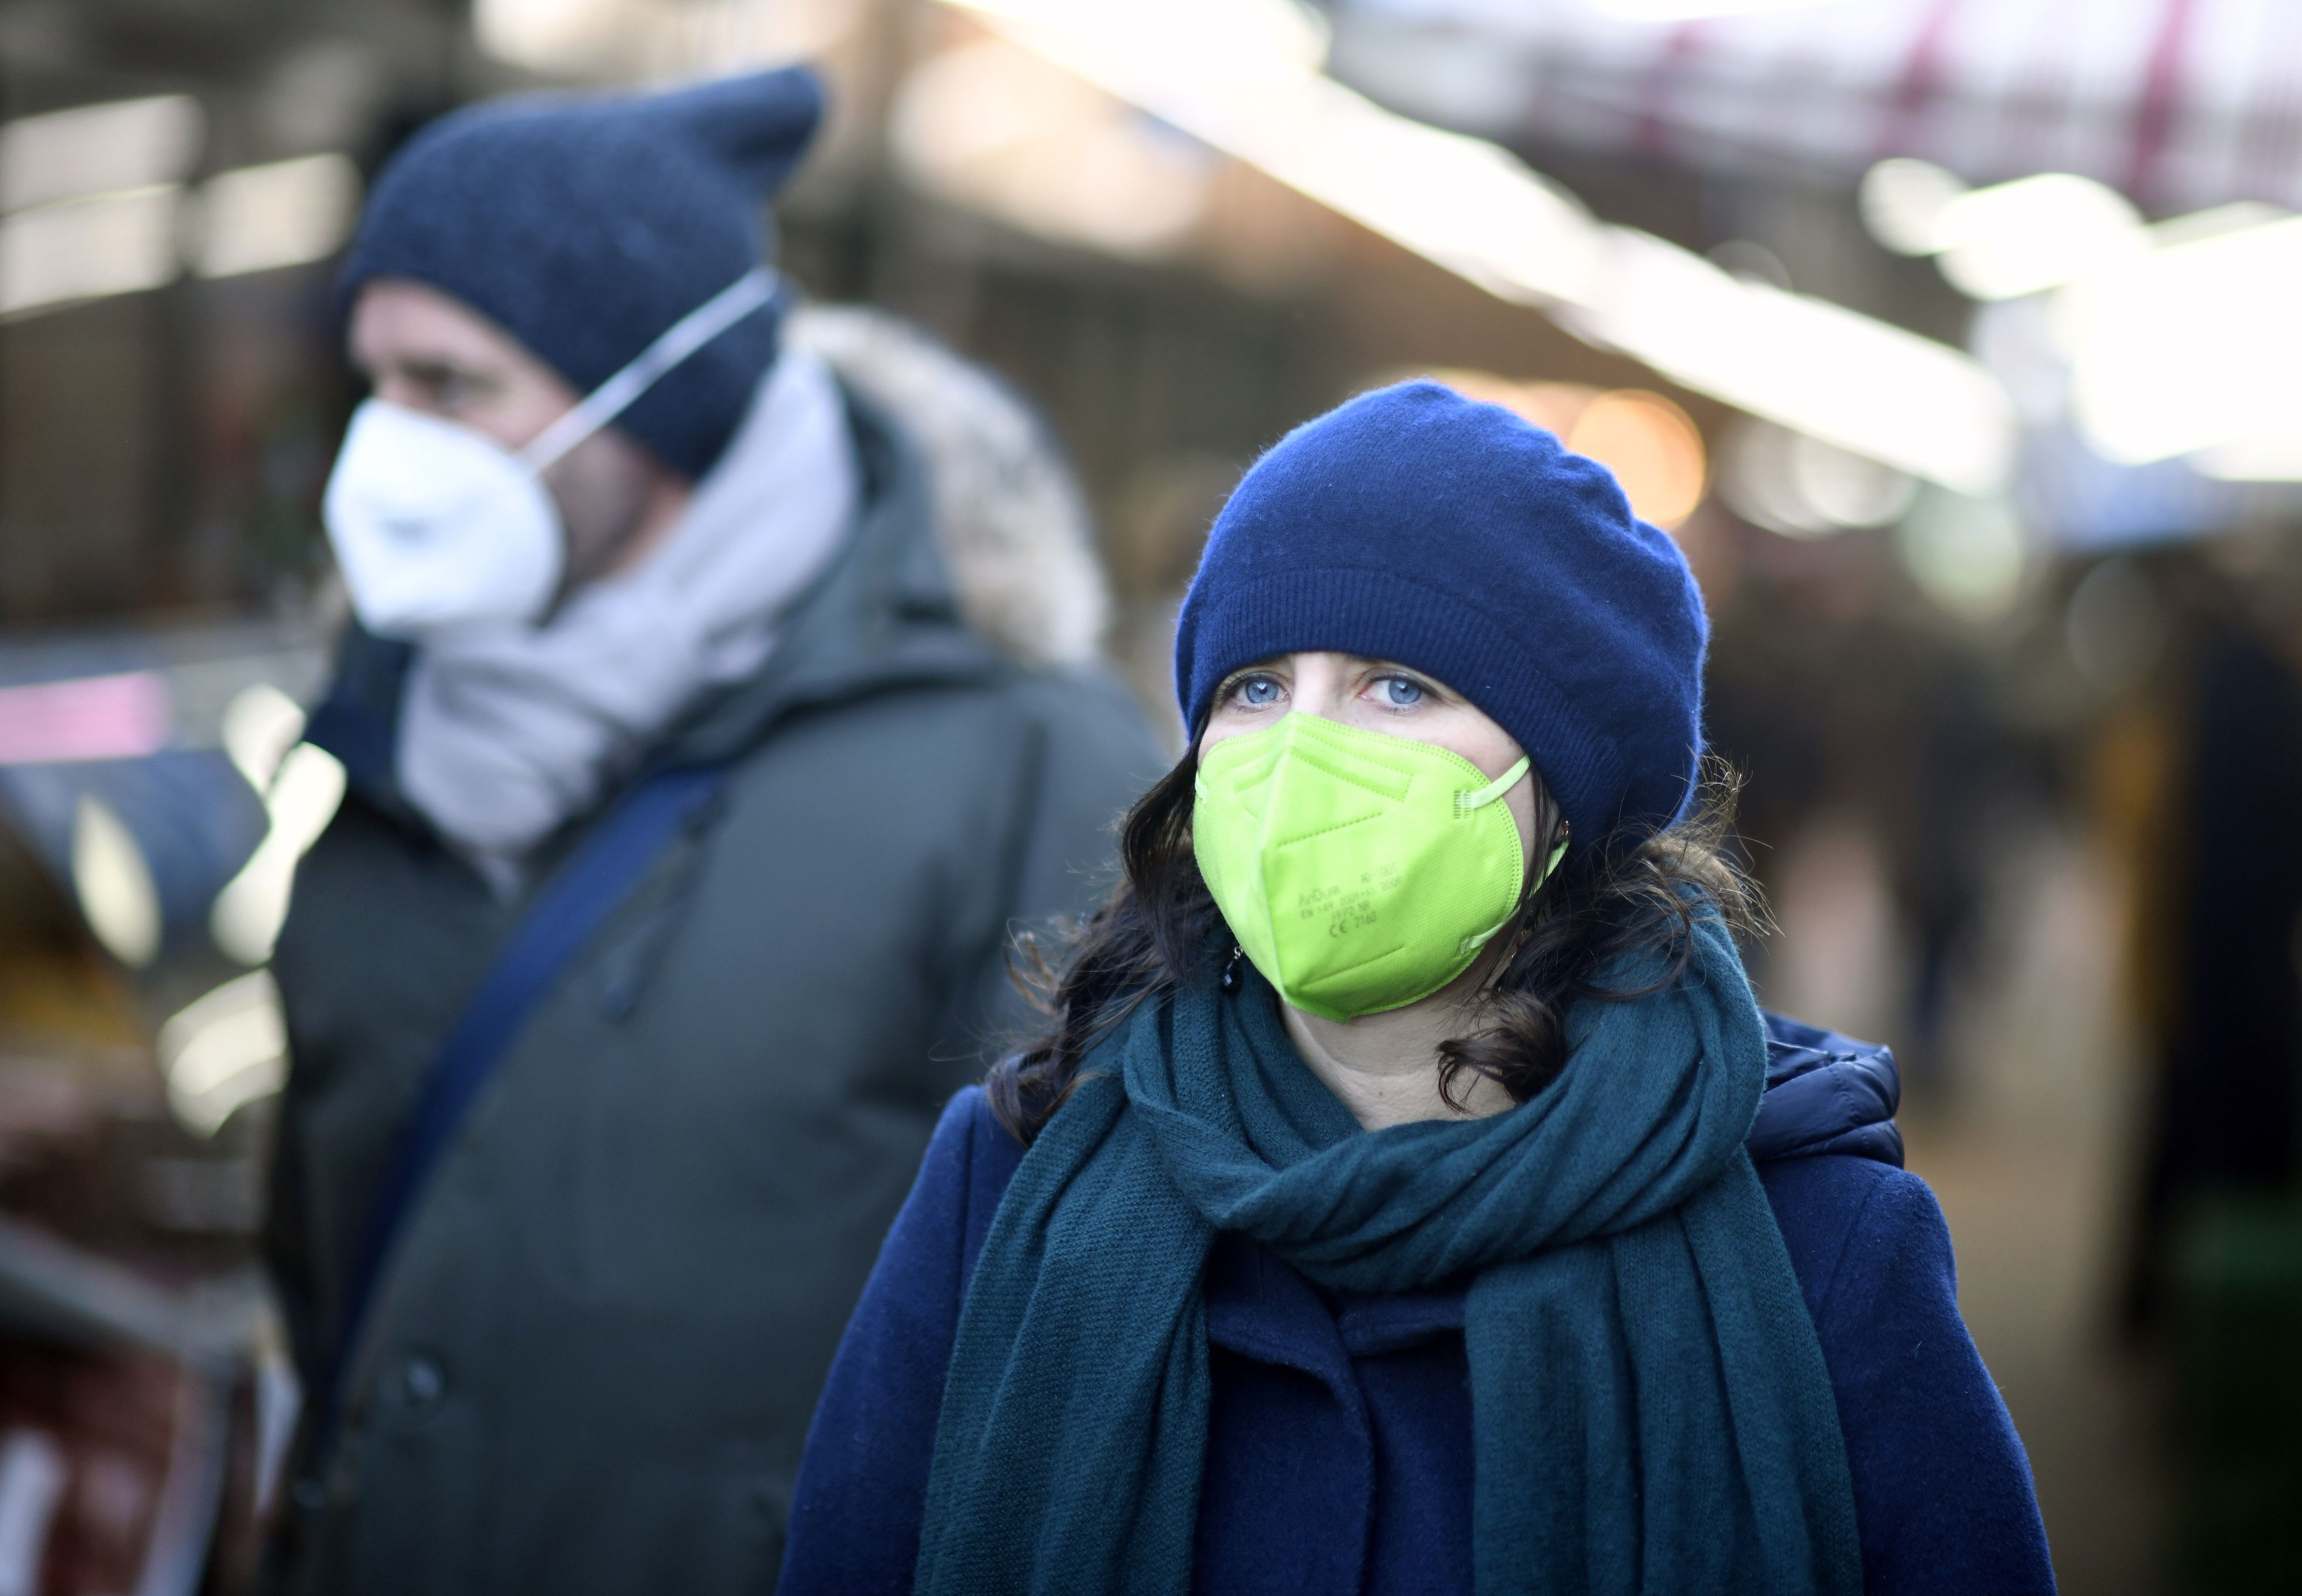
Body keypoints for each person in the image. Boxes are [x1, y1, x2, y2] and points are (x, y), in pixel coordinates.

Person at [780, 382, 2057, 1595]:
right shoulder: (1013, 1178)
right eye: (1257, 687)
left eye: (1399, 687)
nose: (1301, 755)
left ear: (1564, 790)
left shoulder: (1814, 1233)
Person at [260, 68, 1161, 1595]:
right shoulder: (399, 712)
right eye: (375, 380)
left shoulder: (1026, 758)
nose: (389, 444)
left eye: (457, 385)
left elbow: (1075, 1323)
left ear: (660, 395)